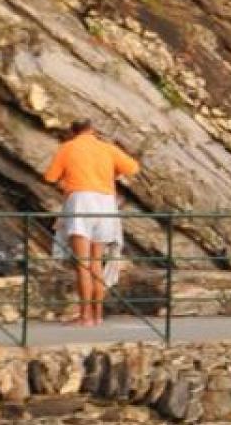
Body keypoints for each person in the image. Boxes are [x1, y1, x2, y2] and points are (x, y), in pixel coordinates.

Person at [42, 120, 140, 327]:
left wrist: (67, 180)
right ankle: (97, 315)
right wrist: (112, 173)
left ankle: (84, 315)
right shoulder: (107, 148)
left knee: (82, 264)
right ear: (93, 131)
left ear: (72, 131)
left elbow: (50, 177)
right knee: (96, 263)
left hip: (81, 202)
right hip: (106, 203)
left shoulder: (68, 147)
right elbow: (133, 167)